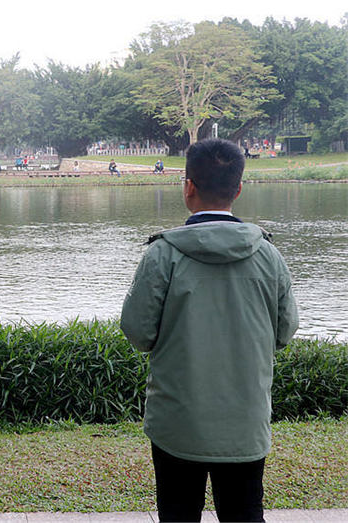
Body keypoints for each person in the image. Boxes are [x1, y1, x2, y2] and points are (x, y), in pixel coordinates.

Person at [120, 138, 298, 523]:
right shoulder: (269, 256)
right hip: (244, 421)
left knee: (178, 515)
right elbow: (285, 332)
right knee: (245, 513)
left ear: (187, 186)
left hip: (178, 423)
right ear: (238, 189)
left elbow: (138, 333)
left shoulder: (162, 255)